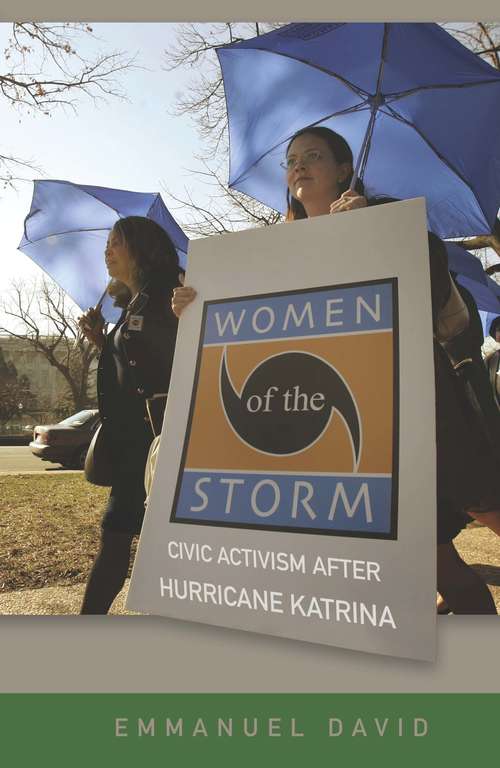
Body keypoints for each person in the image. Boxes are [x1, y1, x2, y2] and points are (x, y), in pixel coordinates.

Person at [173, 126, 499, 615]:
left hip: (393, 425)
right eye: (292, 159)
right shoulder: (269, 251)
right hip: (311, 433)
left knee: (436, 556)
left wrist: (378, 232)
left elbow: (439, 298)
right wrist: (198, 310)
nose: (298, 165)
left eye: (313, 155)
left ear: (346, 170)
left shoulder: (388, 221)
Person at [78, 216, 181, 614]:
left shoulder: (169, 295)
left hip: (162, 441)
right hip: (134, 446)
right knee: (116, 534)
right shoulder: (133, 303)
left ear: (139, 248)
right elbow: (137, 365)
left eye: (115, 242)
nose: (107, 251)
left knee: (137, 538)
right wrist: (104, 340)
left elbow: (170, 359)